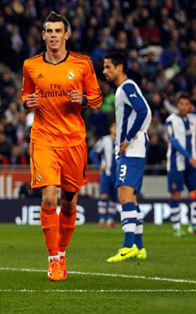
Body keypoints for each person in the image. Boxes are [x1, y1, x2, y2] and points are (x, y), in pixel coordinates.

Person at [22, 11, 102, 281]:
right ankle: (53, 257)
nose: (53, 35)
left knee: (69, 203)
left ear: (66, 35)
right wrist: (26, 103)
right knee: (48, 197)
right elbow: (25, 94)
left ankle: (63, 251)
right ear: (43, 35)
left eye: (58, 31)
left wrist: (84, 100)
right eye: (49, 31)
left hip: (73, 141)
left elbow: (98, 98)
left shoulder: (82, 64)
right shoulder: (31, 65)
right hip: (44, 138)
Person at [103, 51, 151, 262]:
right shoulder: (126, 88)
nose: (105, 71)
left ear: (119, 67)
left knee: (123, 195)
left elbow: (144, 111)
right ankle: (139, 247)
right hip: (133, 148)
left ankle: (127, 244)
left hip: (131, 149)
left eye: (108, 67)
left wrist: (128, 138)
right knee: (130, 196)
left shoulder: (127, 87)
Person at [164, 93, 196, 237]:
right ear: (177, 105)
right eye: (181, 104)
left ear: (190, 105)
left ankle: (193, 224)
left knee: (194, 192)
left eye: (186, 104)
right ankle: (177, 228)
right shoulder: (170, 121)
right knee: (176, 194)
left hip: (192, 164)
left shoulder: (193, 120)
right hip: (176, 163)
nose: (184, 107)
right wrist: (189, 156)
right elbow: (174, 142)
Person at [89, 123, 118, 228]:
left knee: (114, 197)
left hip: (118, 174)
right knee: (104, 195)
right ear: (110, 128)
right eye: (114, 126)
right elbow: (92, 153)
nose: (115, 129)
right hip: (107, 173)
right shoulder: (105, 140)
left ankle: (110, 219)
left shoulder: (122, 141)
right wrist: (99, 165)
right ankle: (102, 219)